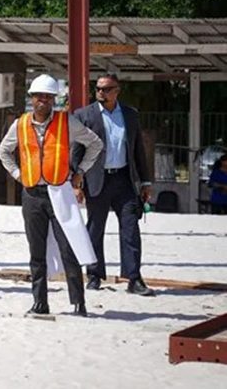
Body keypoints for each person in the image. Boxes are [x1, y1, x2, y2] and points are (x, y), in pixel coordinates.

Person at [0, 74, 103, 317]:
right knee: (36, 251)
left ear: (54, 99)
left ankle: (78, 303)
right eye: (38, 96)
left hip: (60, 192)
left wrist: (80, 172)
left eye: (48, 97)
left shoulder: (68, 122)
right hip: (32, 193)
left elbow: (95, 144)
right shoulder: (21, 124)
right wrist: (17, 174)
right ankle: (40, 303)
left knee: (68, 248)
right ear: (31, 99)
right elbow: (3, 151)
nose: (43, 100)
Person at [72, 73, 155, 296]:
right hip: (96, 180)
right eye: (98, 88)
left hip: (124, 180)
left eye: (106, 89)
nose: (100, 92)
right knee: (95, 228)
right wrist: (76, 182)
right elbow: (76, 150)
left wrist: (145, 182)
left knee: (130, 228)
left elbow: (138, 151)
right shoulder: (84, 115)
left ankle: (134, 278)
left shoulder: (130, 115)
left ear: (117, 91)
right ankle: (94, 275)